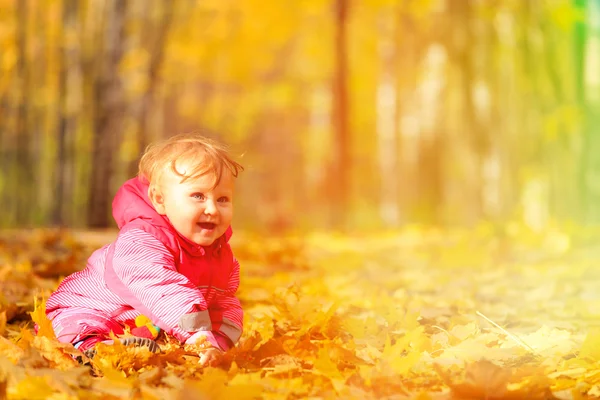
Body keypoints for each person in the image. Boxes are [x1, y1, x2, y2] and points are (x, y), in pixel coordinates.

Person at [45, 133, 244, 366]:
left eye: (222, 199)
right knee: (80, 325)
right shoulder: (142, 241)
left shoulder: (221, 256)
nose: (212, 209)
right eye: (198, 196)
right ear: (160, 200)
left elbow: (222, 304)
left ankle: (138, 347)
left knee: (175, 337)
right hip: (91, 309)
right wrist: (200, 339)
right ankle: (93, 350)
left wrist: (217, 344)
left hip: (143, 323)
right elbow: (164, 289)